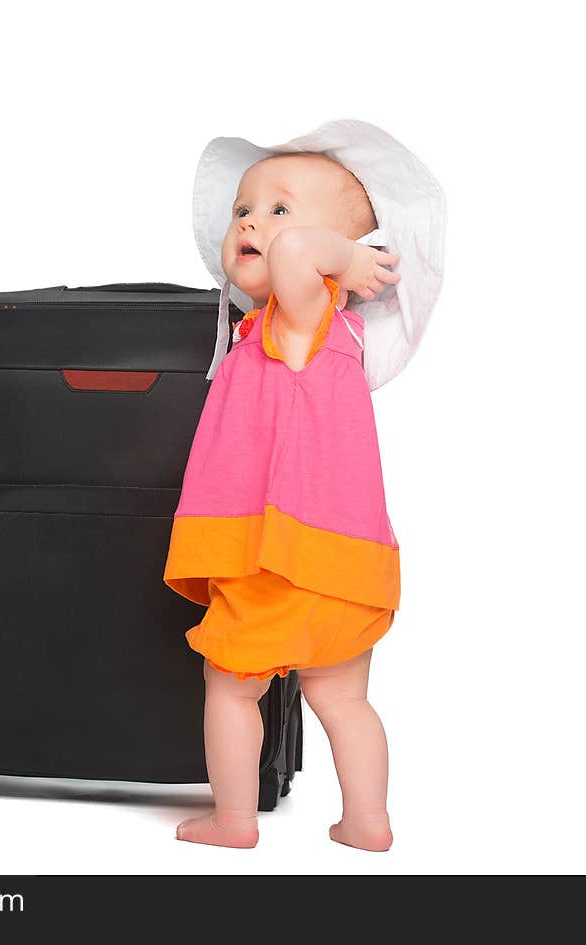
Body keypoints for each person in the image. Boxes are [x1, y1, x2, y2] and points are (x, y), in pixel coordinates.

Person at [163, 121, 446, 850]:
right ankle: (367, 820)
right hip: (349, 558)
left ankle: (233, 818)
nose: (254, 222)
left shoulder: (305, 316)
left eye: (281, 209)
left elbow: (295, 255)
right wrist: (324, 245)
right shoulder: (294, 333)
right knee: (343, 696)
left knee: (231, 686)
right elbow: (291, 246)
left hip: (276, 557)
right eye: (243, 210)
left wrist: (347, 256)